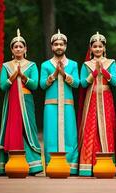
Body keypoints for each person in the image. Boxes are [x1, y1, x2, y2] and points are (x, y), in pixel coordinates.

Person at [0, 29, 43, 175]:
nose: (18, 49)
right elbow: (2, 86)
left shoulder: (32, 65)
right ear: (11, 49)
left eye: (20, 46)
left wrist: (23, 77)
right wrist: (13, 77)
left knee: (28, 128)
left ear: (25, 49)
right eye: (15, 47)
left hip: (26, 100)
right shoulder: (6, 66)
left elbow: (35, 85)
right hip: (11, 102)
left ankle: (33, 165)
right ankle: (10, 163)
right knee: (12, 128)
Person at [40, 29, 79, 175]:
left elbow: (77, 83)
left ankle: (71, 166)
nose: (58, 47)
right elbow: (42, 84)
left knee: (70, 134)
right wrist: (55, 74)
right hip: (51, 105)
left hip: (68, 105)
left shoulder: (73, 64)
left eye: (61, 44)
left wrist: (64, 73)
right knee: (51, 135)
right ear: (51, 47)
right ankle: (51, 166)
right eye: (56, 44)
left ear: (66, 46)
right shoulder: (45, 65)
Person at [79, 32, 116, 176]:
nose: (97, 49)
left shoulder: (111, 63)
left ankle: (107, 164)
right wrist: (94, 72)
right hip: (91, 98)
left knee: (107, 128)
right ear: (91, 48)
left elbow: (115, 82)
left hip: (106, 98)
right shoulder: (86, 65)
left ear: (104, 48)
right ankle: (88, 166)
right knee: (91, 129)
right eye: (94, 46)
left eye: (100, 46)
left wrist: (104, 71)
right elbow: (82, 83)